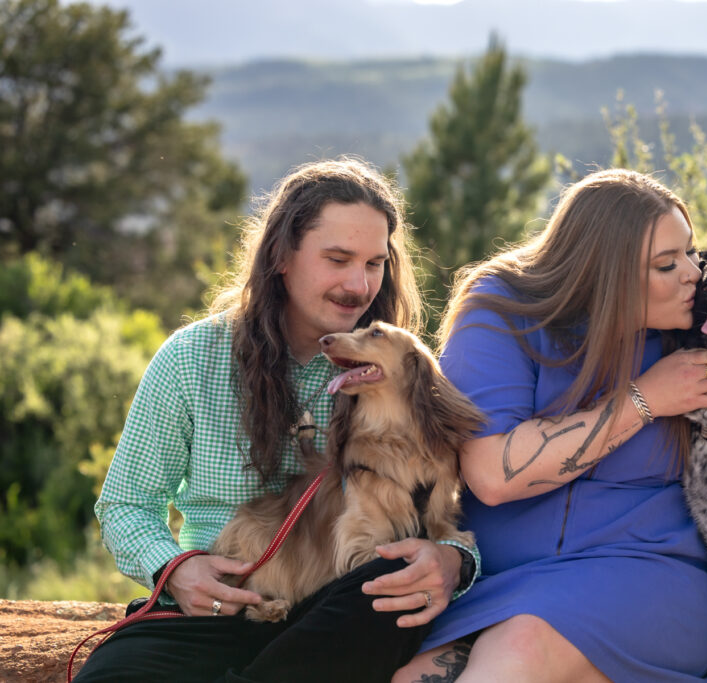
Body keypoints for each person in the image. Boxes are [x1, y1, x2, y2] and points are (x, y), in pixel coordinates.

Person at [393, 169, 707, 683]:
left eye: (690, 252)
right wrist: (646, 399)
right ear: (605, 273)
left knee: (521, 652)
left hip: (652, 571)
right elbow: (492, 473)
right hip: (503, 578)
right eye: (668, 264)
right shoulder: (504, 311)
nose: (694, 273)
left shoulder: (699, 325)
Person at [76, 158, 480, 683]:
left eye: (374, 264)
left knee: (387, 590)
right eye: (337, 259)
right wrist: (176, 570)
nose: (358, 285)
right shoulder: (191, 358)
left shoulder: (399, 370)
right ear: (282, 256)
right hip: (216, 608)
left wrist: (452, 562)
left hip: (337, 613)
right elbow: (127, 504)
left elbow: (451, 511)